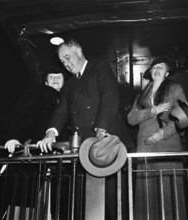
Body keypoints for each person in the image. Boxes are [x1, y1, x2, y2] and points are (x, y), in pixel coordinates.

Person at [37, 39, 133, 220]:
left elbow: (109, 99)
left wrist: (101, 129)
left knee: (113, 200)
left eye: (67, 57)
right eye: (62, 61)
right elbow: (61, 112)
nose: (65, 63)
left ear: (79, 51)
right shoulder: (69, 84)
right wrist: (50, 132)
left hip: (106, 144)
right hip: (85, 149)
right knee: (90, 201)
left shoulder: (100, 69)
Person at [127, 57, 188, 220]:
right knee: (147, 191)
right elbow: (131, 118)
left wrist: (161, 134)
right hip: (145, 148)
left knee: (169, 191)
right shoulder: (141, 95)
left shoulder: (175, 89)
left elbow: (185, 118)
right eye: (154, 66)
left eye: (161, 67)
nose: (157, 69)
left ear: (167, 72)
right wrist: (153, 110)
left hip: (167, 145)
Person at [4, 67, 67, 153]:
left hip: (58, 148)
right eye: (51, 77)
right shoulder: (41, 92)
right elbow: (23, 111)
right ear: (46, 82)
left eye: (59, 77)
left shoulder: (66, 98)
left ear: (64, 82)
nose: (55, 79)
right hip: (37, 146)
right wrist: (13, 137)